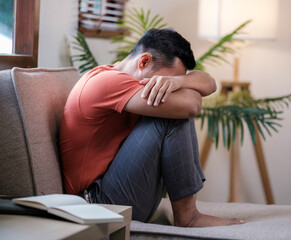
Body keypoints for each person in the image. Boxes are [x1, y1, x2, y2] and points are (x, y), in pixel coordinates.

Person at [60, 28, 244, 227]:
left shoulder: (119, 75)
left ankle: (189, 215)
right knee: (172, 115)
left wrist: (178, 81)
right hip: (96, 205)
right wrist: (183, 88)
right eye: (163, 81)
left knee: (175, 107)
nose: (167, 86)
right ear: (144, 62)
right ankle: (188, 217)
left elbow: (209, 84)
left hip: (114, 193)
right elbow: (191, 105)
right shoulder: (106, 83)